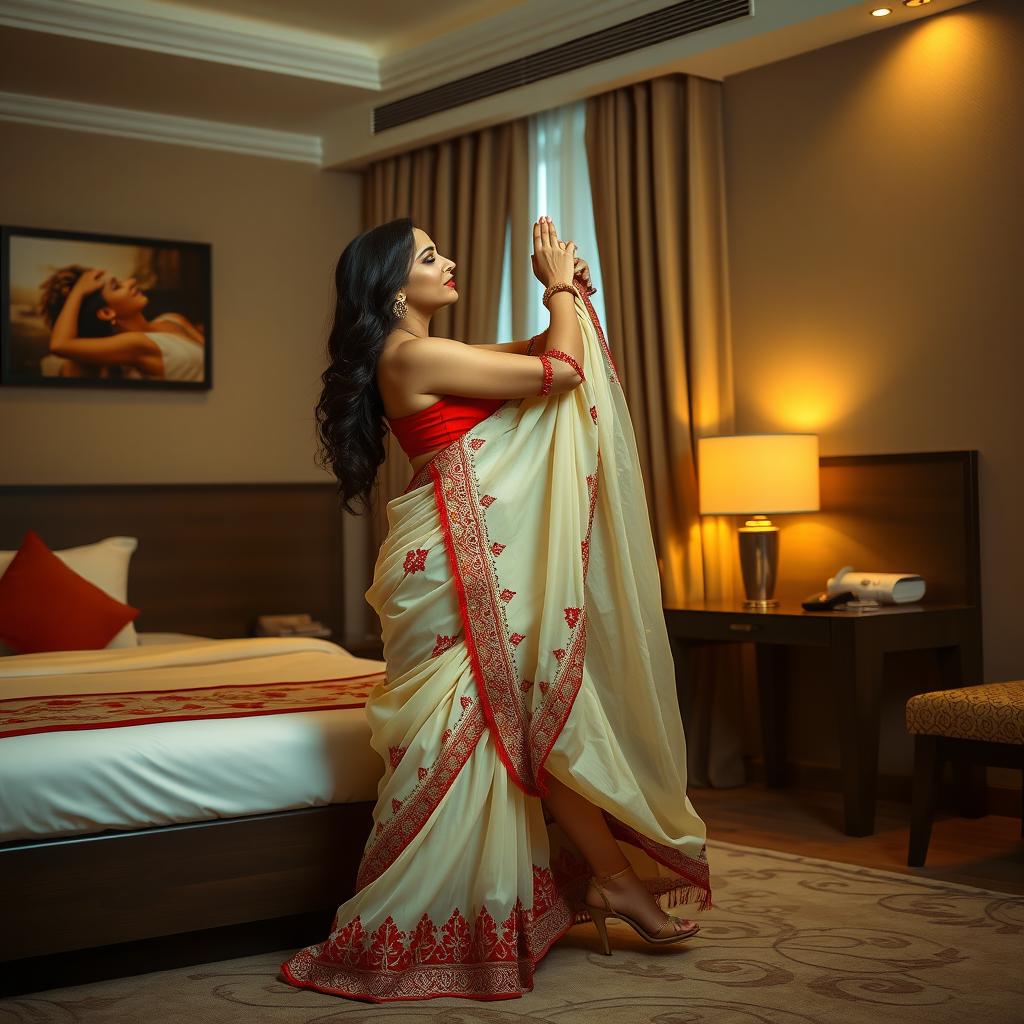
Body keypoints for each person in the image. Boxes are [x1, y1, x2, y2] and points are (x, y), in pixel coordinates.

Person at [279, 215, 710, 1002]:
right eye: (428, 256)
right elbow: (562, 375)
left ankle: (613, 883)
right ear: (390, 284)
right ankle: (587, 887)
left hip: (455, 549)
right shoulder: (411, 353)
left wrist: (567, 300)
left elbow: (544, 354)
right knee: (502, 714)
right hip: (451, 558)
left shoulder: (429, 353)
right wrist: (555, 286)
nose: (449, 263)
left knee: (526, 715)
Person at [38, 265, 205, 381]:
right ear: (106, 312)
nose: (131, 281)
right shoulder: (136, 344)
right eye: (117, 286)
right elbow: (59, 345)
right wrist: (78, 291)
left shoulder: (172, 318)